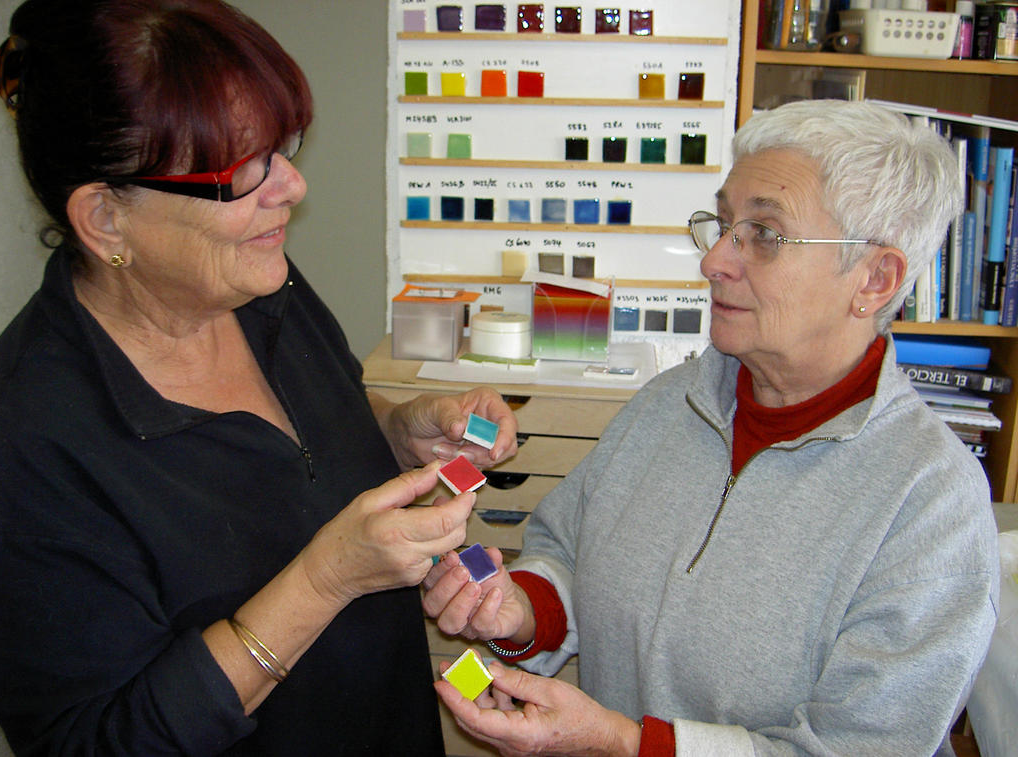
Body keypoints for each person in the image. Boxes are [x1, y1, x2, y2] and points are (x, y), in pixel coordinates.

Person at [0, 1, 518, 754]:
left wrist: (396, 428)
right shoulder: (28, 442)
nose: (292, 188)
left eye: (282, 147)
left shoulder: (257, 283)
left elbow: (301, 428)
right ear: (107, 219)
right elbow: (98, 741)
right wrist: (325, 579)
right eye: (240, 171)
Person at [423, 99, 1001, 756]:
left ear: (874, 278)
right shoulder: (670, 403)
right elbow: (569, 550)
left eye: (766, 235)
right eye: (724, 224)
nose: (715, 261)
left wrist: (623, 743)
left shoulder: (932, 506)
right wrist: (521, 608)